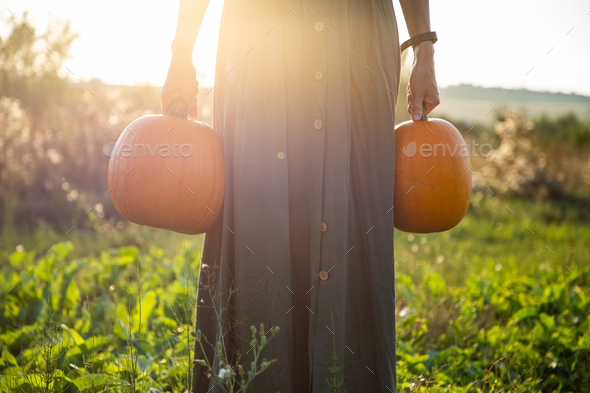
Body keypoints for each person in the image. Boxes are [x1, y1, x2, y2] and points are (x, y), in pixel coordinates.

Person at [161, 0, 440, 392]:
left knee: (353, 215)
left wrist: (423, 49)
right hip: (260, 35)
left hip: (357, 38)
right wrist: (181, 53)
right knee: (258, 210)